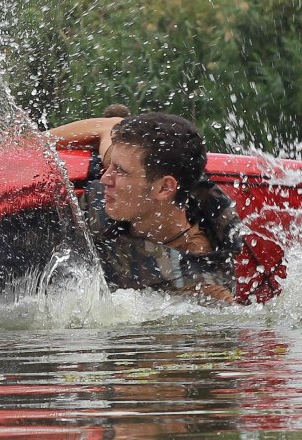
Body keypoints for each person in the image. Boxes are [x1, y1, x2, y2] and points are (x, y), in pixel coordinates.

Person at [48, 110, 244, 303]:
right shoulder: (137, 164)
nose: (104, 178)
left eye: (120, 171)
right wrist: (27, 144)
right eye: (111, 166)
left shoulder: (200, 286)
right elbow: (107, 126)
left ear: (164, 188)